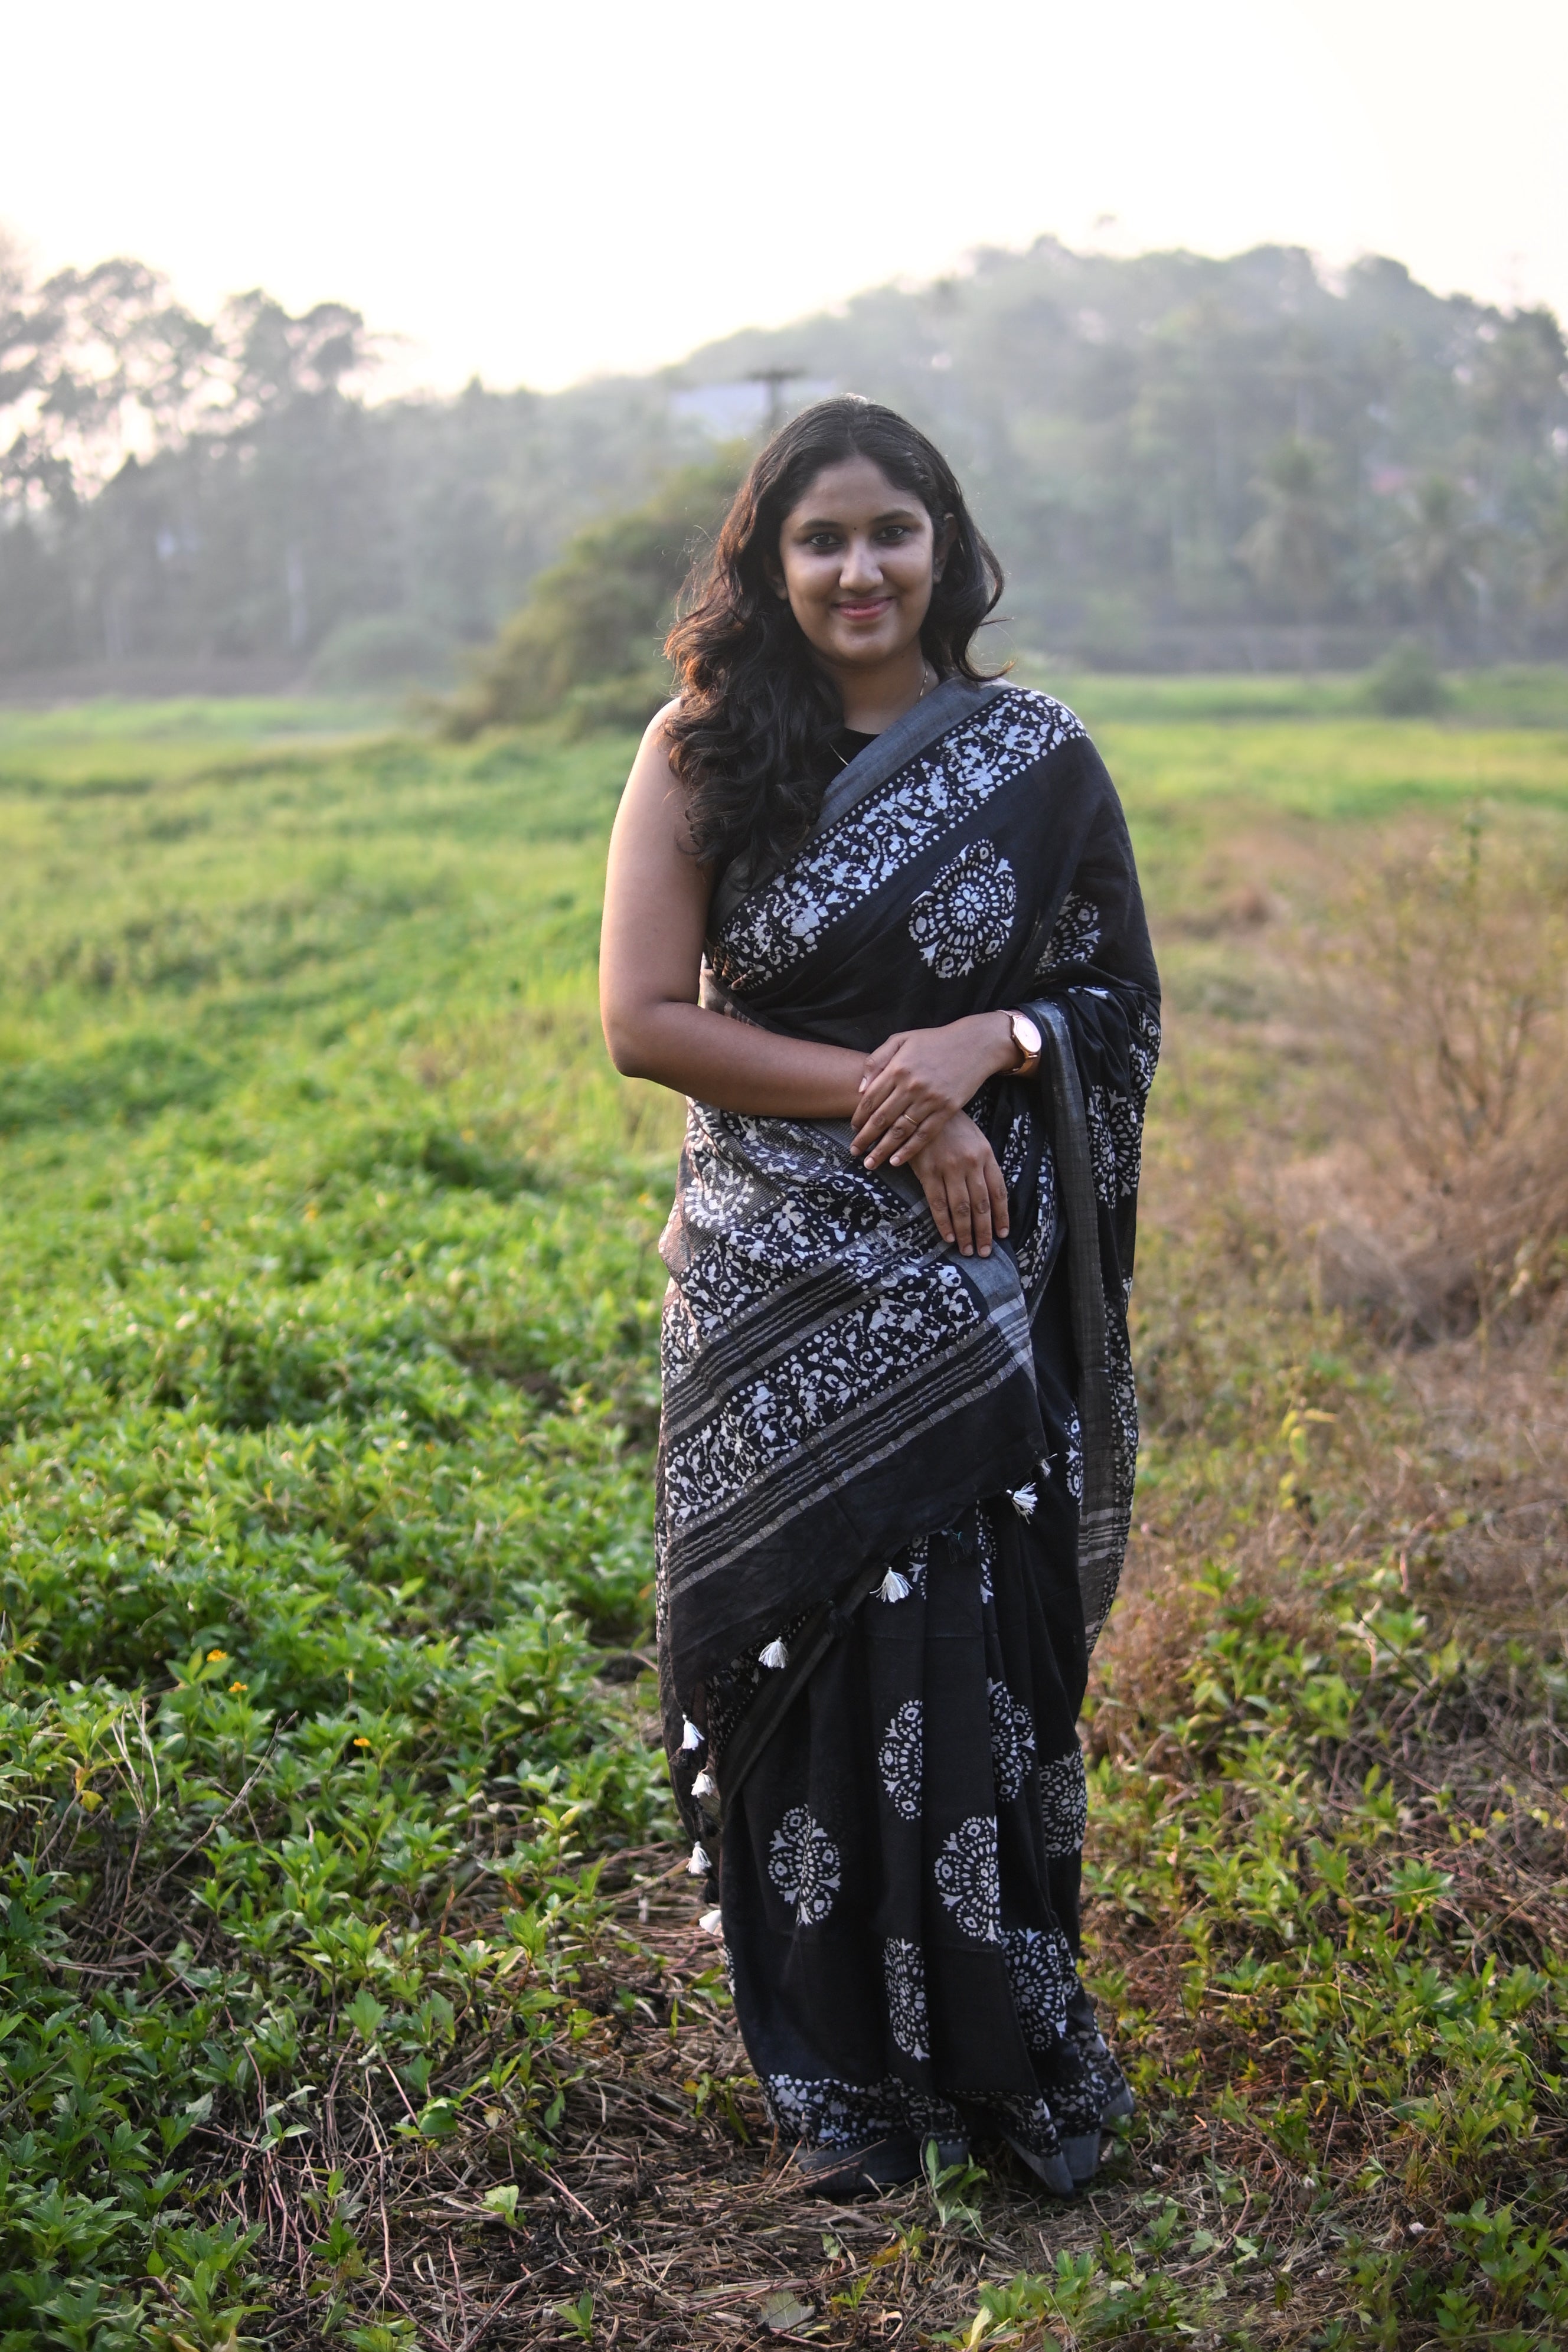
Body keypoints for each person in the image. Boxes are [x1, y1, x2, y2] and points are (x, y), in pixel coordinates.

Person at [599, 397, 1159, 2197]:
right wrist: (886, 1092)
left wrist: (988, 1038)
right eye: (821, 538)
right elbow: (644, 1023)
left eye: (891, 532)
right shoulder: (704, 747)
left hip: (966, 1260)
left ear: (948, 548)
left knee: (967, 1653)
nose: (860, 568)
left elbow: (1113, 1001)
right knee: (786, 1638)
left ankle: (999, 2045)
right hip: (767, 1269)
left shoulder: (1037, 756)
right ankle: (844, 2087)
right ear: (772, 564)